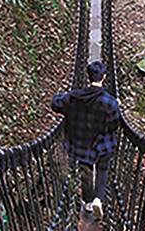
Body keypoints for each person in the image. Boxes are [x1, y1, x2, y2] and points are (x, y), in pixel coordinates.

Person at [51, 59, 121, 220]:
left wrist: (61, 95)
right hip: (102, 143)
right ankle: (99, 199)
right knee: (103, 168)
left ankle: (88, 201)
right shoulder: (110, 102)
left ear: (88, 76)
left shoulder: (74, 97)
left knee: (86, 170)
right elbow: (114, 125)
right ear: (104, 77)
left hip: (82, 142)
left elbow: (55, 104)